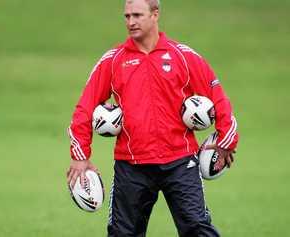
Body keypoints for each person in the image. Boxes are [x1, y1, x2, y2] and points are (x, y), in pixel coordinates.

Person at [66, 0, 239, 236]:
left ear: (155, 14)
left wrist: (226, 142)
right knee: (122, 234)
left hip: (180, 162)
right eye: (126, 16)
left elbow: (218, 98)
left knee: (198, 230)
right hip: (132, 166)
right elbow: (84, 109)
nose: (130, 22)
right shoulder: (113, 60)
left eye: (137, 15)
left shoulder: (183, 56)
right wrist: (80, 156)